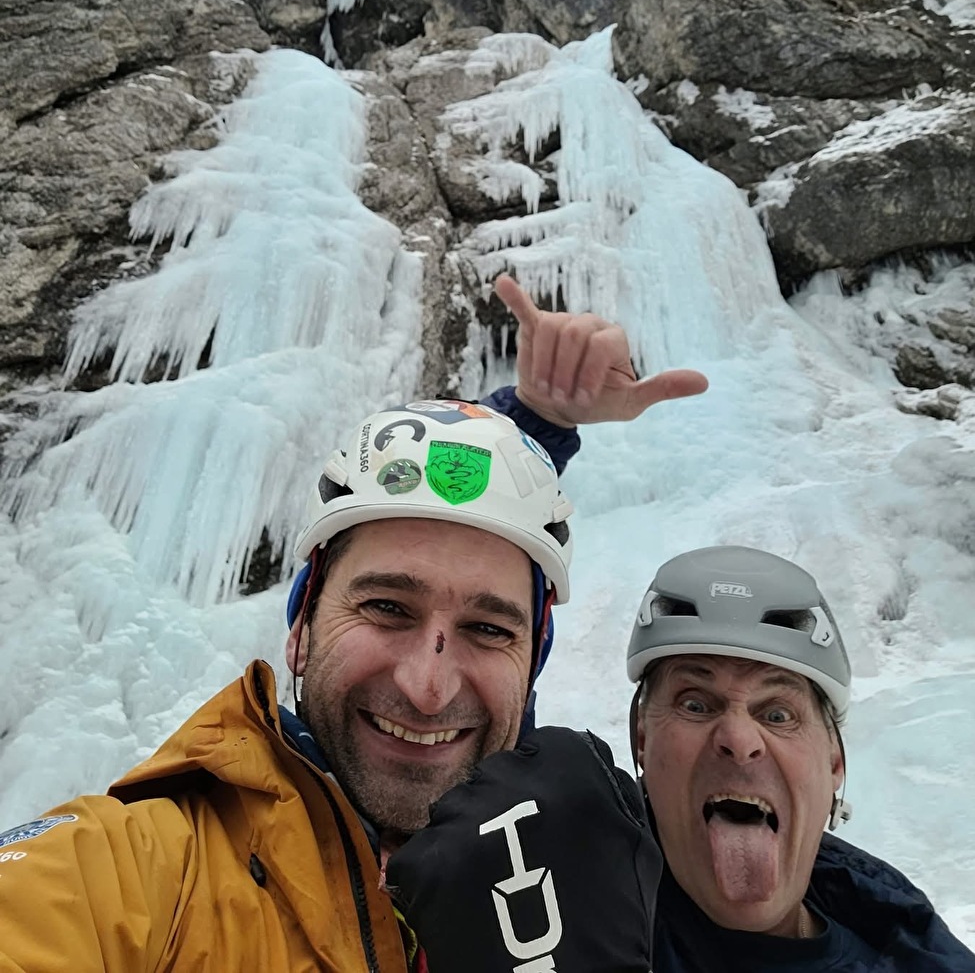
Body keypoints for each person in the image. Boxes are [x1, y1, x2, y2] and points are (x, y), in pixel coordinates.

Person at [0, 274, 706, 971]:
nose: (428, 686)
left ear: (531, 668)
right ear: (300, 630)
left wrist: (531, 431)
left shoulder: (608, 888)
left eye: (489, 630)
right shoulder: (126, 871)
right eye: (386, 609)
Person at [388, 545, 975, 971]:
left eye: (778, 714)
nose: (739, 739)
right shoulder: (538, 883)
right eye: (696, 704)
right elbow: (458, 721)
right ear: (641, 738)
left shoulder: (921, 958)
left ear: (834, 764)